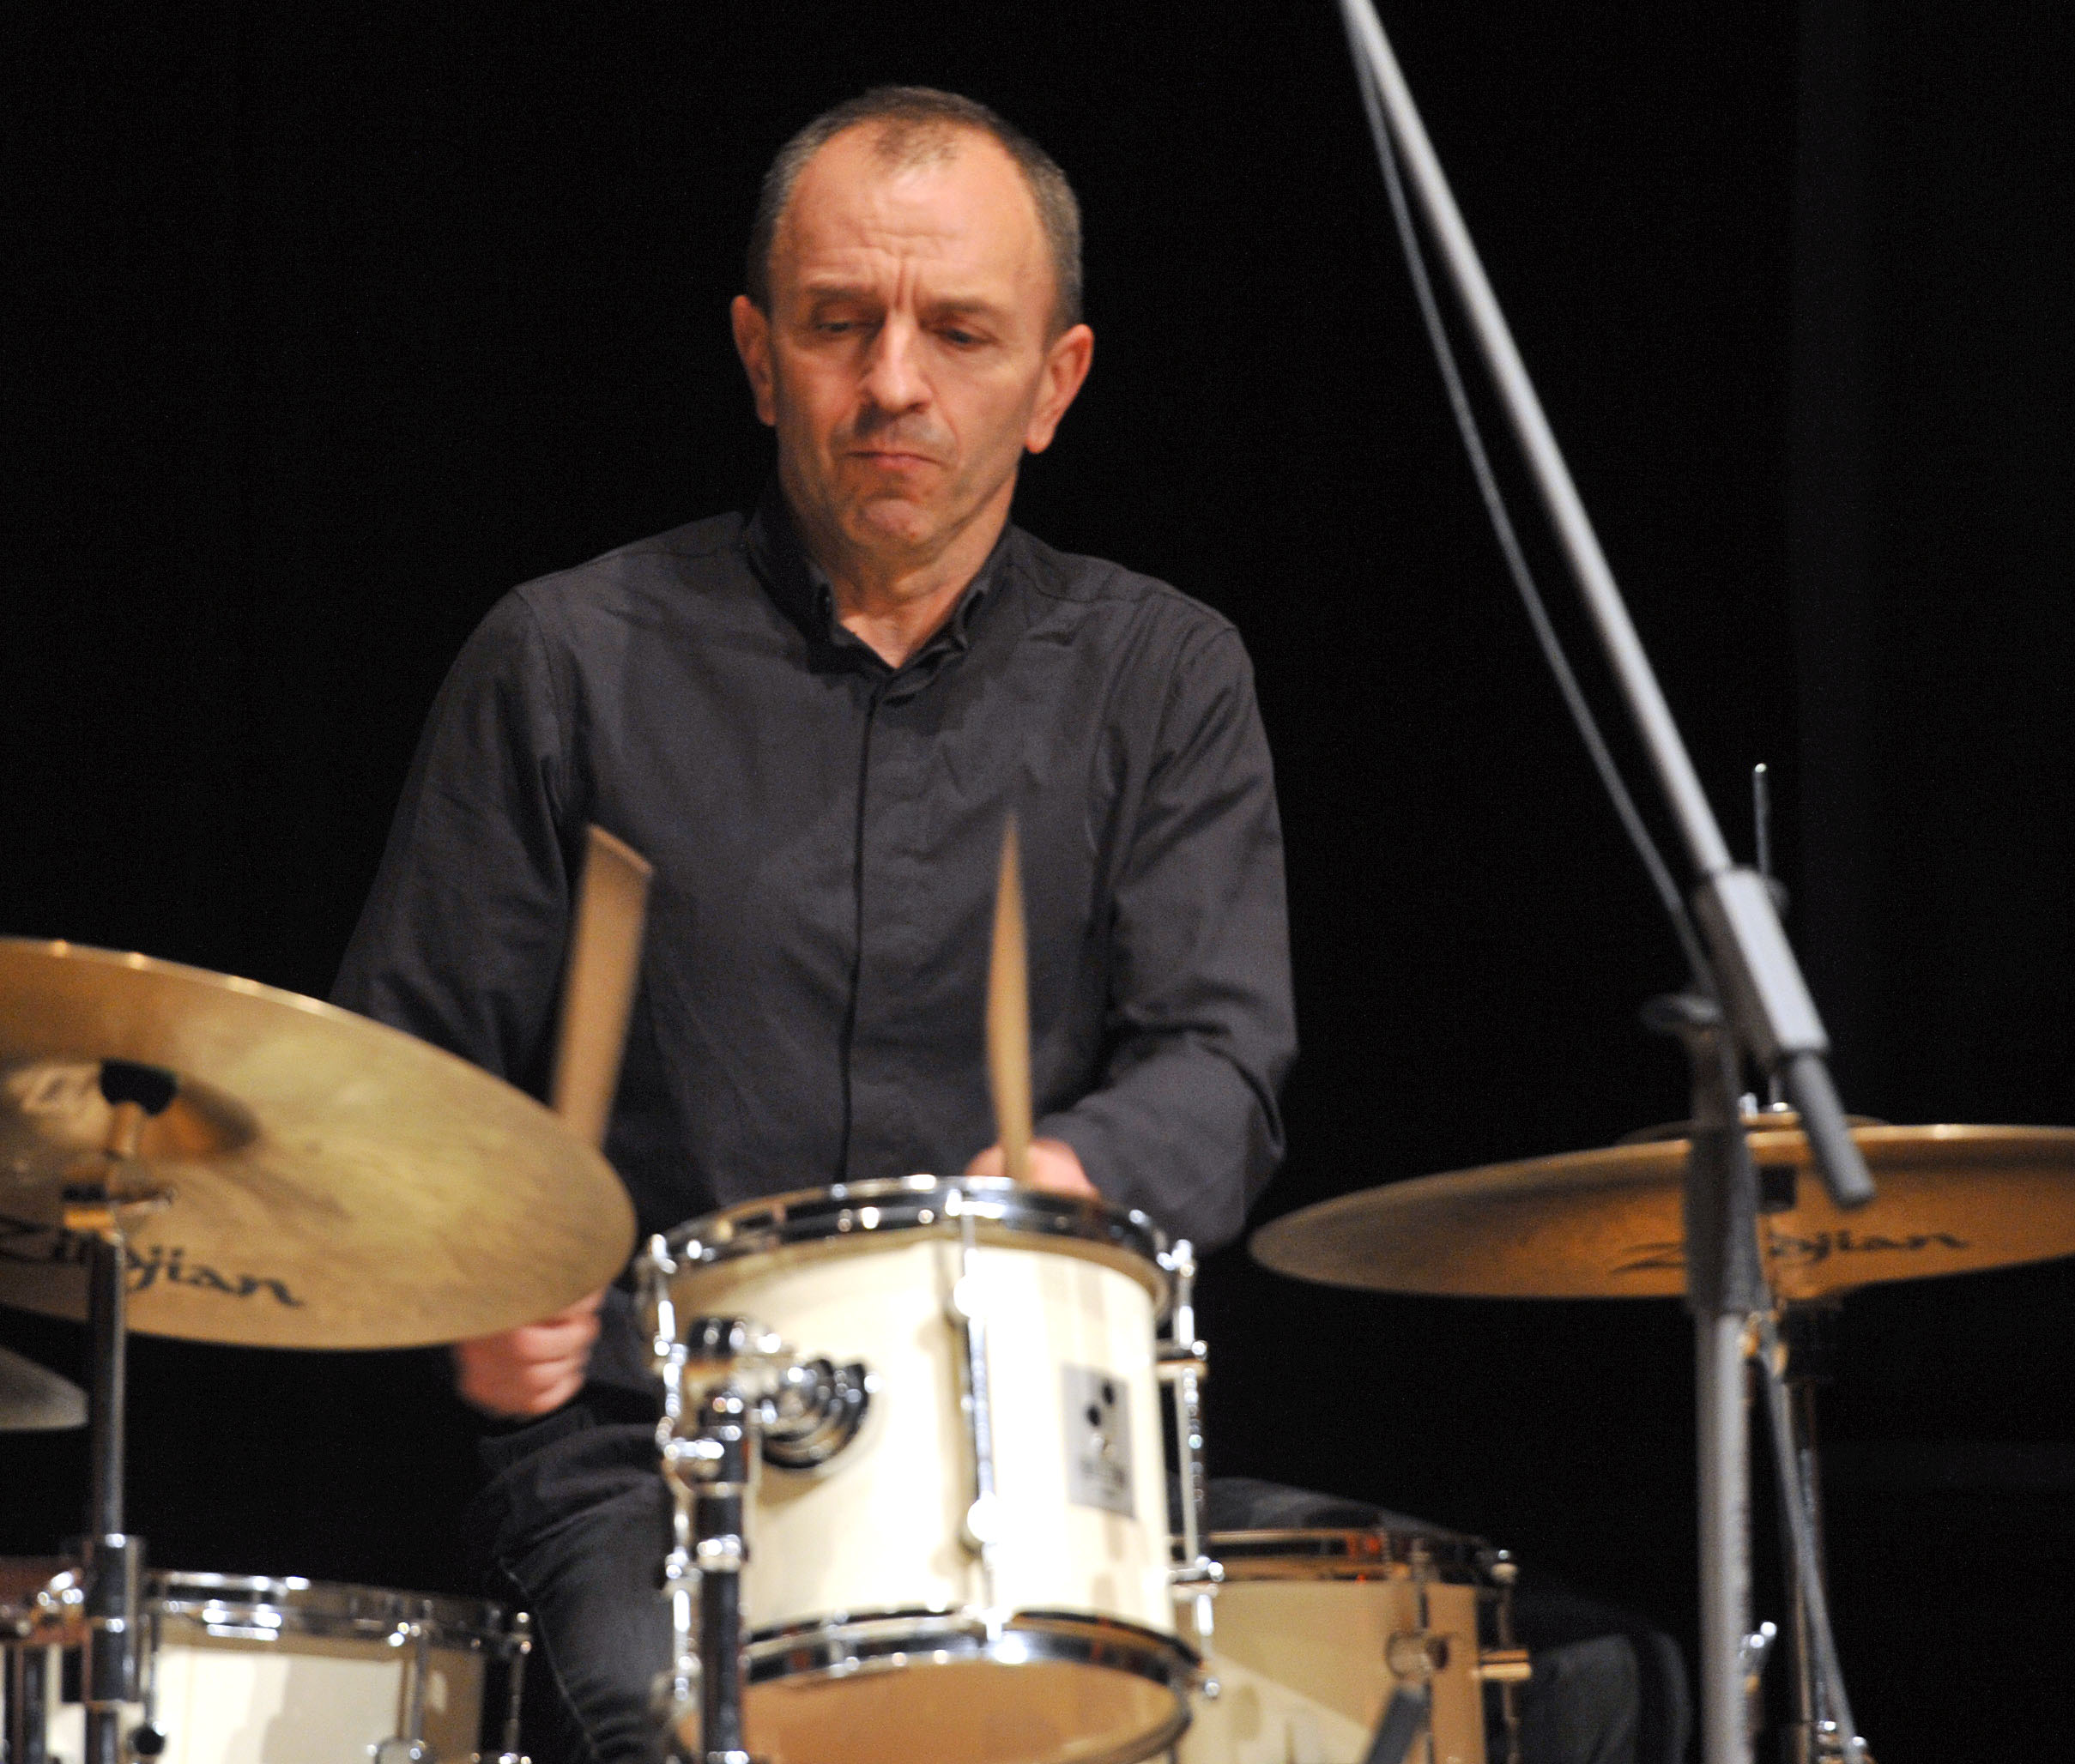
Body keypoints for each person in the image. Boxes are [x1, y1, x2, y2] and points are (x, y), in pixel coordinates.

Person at [334, 86, 1678, 1764]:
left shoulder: (1160, 674)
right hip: (660, 1456)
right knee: (685, 1728)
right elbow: (394, 1087)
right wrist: (471, 1269)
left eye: (960, 332)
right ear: (759, 357)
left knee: (1569, 1679)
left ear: (1054, 383)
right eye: (838, 323)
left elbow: (1221, 1059)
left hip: (1045, 1452)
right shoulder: (564, 660)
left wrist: (1078, 1171)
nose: (893, 381)